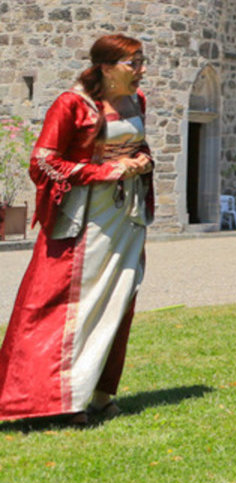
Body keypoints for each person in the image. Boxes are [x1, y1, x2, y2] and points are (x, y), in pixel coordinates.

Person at [0, 34, 155, 425]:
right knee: (64, 308)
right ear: (106, 67)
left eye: (141, 61)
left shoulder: (138, 102)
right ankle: (59, 400)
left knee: (118, 302)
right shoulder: (71, 105)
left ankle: (100, 395)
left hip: (126, 220)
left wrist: (141, 162)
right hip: (80, 225)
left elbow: (140, 146)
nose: (141, 71)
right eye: (133, 63)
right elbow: (43, 164)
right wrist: (105, 171)